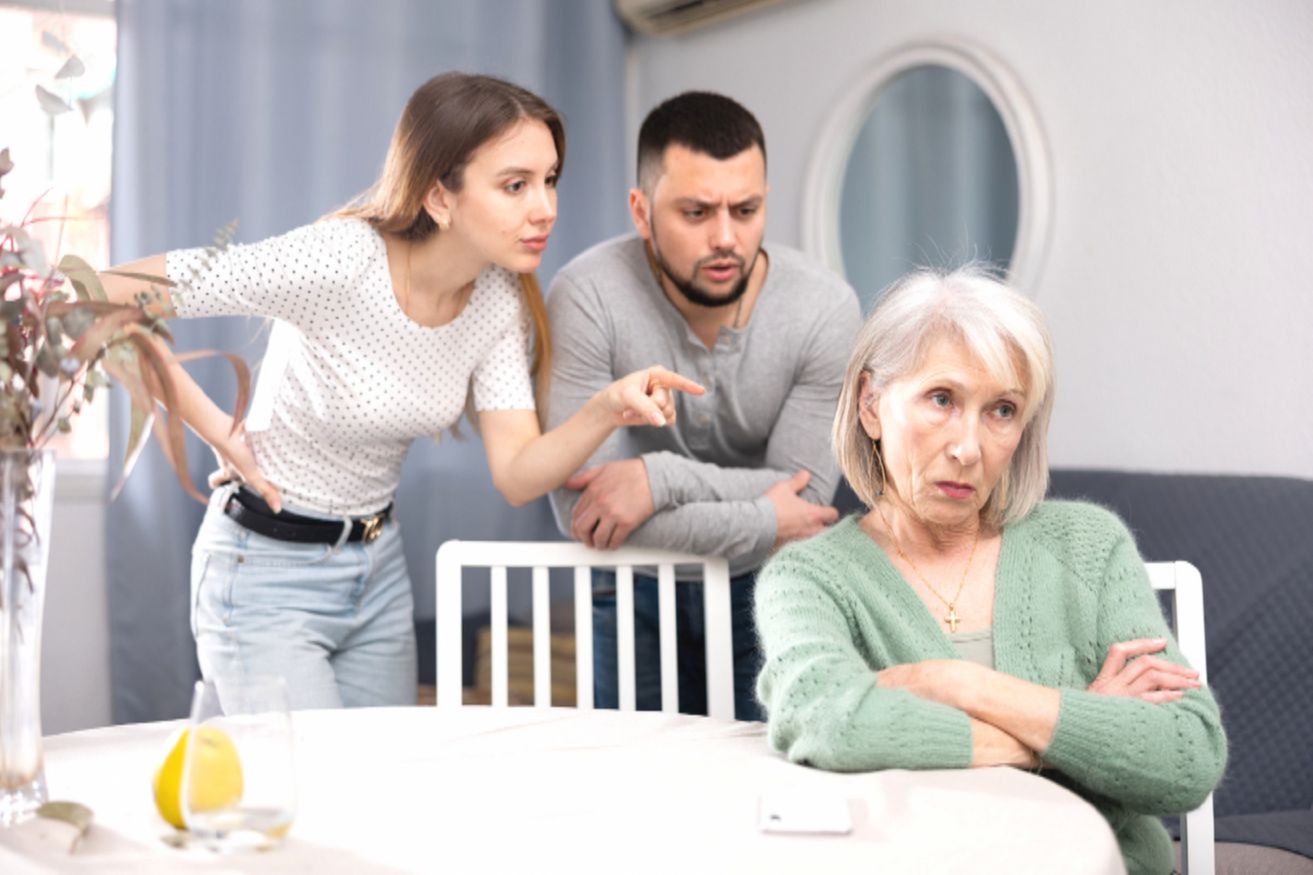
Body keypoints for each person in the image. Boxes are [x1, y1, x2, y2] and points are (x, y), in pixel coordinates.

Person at [100, 72, 700, 710]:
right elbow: (96, 294)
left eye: (549, 179)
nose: (545, 207)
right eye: (515, 185)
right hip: (263, 574)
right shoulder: (339, 259)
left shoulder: (498, 298)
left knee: (387, 772)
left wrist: (607, 408)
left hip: (378, 571)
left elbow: (519, 473)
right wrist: (217, 429)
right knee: (305, 775)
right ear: (440, 197)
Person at [754, 266, 1227, 874]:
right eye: (941, 399)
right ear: (871, 405)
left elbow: (1189, 755)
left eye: (1001, 410)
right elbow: (825, 722)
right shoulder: (809, 578)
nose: (968, 448)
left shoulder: (1088, 545)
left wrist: (954, 684)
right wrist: (1078, 723)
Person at [546, 91, 860, 721]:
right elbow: (586, 513)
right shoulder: (586, 294)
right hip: (632, 577)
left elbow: (805, 502)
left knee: (765, 770)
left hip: (770, 582)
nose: (725, 238)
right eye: (695, 212)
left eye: (746, 210)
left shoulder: (825, 310)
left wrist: (655, 479)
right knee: (635, 772)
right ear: (641, 211)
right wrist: (765, 517)